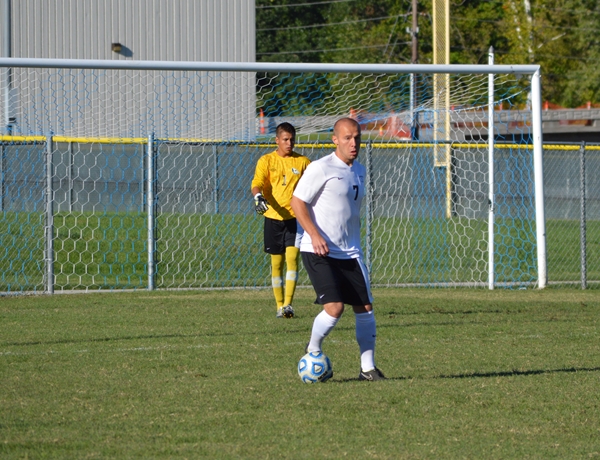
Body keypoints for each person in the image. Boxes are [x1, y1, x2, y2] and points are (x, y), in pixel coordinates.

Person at [290, 117, 385, 381]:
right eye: (347, 138)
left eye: (357, 137)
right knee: (335, 308)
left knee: (365, 308)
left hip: (351, 252)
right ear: (335, 140)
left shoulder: (360, 170)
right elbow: (296, 202)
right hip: (319, 249)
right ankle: (312, 349)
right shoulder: (320, 168)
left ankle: (368, 369)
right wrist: (314, 234)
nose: (353, 143)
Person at [251, 122, 311, 318]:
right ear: (277, 140)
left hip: (294, 219)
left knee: (292, 259)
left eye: (292, 139)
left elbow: (313, 185)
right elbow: (257, 183)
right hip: (273, 218)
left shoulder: (303, 162)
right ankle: (278, 305)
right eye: (285, 139)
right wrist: (258, 197)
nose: (289, 143)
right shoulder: (266, 160)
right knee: (277, 263)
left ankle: (288, 305)